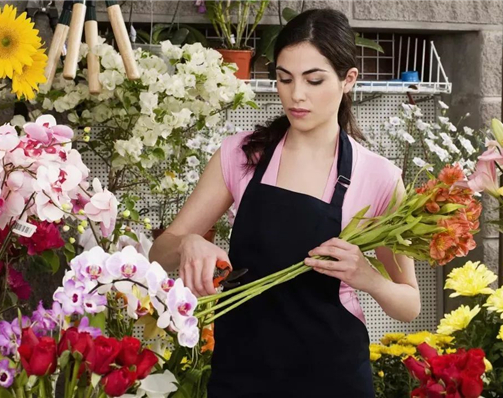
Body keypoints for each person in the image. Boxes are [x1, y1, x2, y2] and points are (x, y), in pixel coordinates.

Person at [149, 8, 420, 398]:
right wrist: (189, 242)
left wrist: (367, 276)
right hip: (241, 372)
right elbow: (160, 254)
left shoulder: (377, 176)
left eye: (314, 80)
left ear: (348, 80)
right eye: (283, 78)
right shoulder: (242, 155)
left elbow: (409, 303)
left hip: (333, 378)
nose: (296, 95)